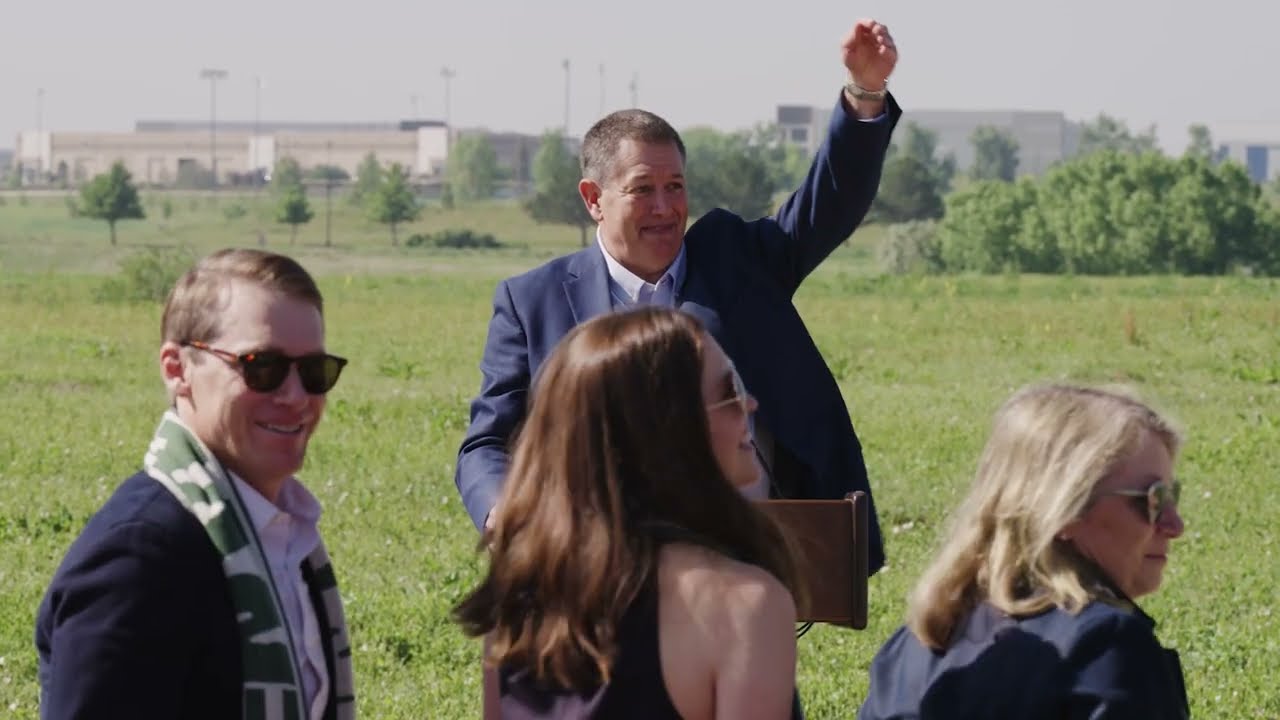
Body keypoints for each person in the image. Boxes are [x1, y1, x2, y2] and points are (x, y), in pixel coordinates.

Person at [455, 18, 901, 574]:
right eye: (643, 190)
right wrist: (500, 509)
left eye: (675, 187)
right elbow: (485, 444)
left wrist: (865, 95)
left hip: (742, 555)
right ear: (594, 198)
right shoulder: (533, 302)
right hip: (599, 564)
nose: (665, 208)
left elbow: (826, 204)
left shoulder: (738, 261)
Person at [35, 249, 356, 720]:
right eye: (261, 367)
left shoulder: (288, 539)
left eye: (313, 372)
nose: (295, 397)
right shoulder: (139, 555)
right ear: (177, 369)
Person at [455, 307, 805, 719]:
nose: (749, 403)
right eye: (729, 391)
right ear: (670, 430)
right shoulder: (743, 606)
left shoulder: (520, 594)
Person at [857, 384, 1190, 719]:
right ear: (1064, 509)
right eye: (1152, 499)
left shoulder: (916, 644)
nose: (1174, 525)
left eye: (1171, 496)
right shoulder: (1105, 649)